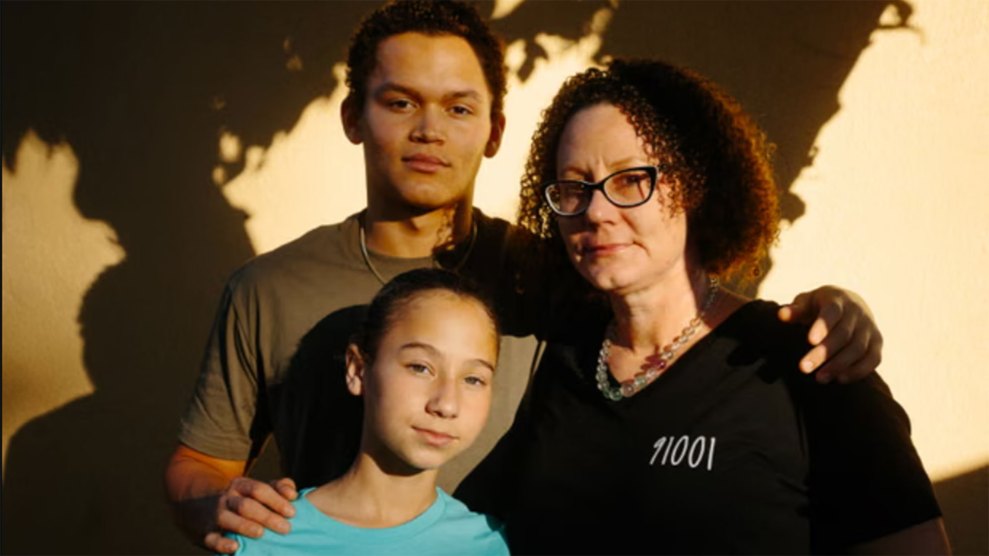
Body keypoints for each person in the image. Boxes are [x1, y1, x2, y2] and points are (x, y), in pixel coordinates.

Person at [165, 1, 886, 553]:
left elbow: (676, 313)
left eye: (458, 107)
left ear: (494, 131)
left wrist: (831, 306)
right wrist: (220, 509)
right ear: (353, 116)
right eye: (399, 102)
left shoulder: (553, 273)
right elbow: (201, 462)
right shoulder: (268, 288)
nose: (428, 130)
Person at [457, 59, 949, 554]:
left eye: (630, 180)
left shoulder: (807, 364)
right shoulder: (558, 359)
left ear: (696, 184)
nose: (596, 211)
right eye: (573, 187)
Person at [223, 269, 509, 555]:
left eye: (473, 379)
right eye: (420, 367)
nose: (446, 404)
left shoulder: (489, 545)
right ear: (358, 369)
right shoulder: (266, 536)